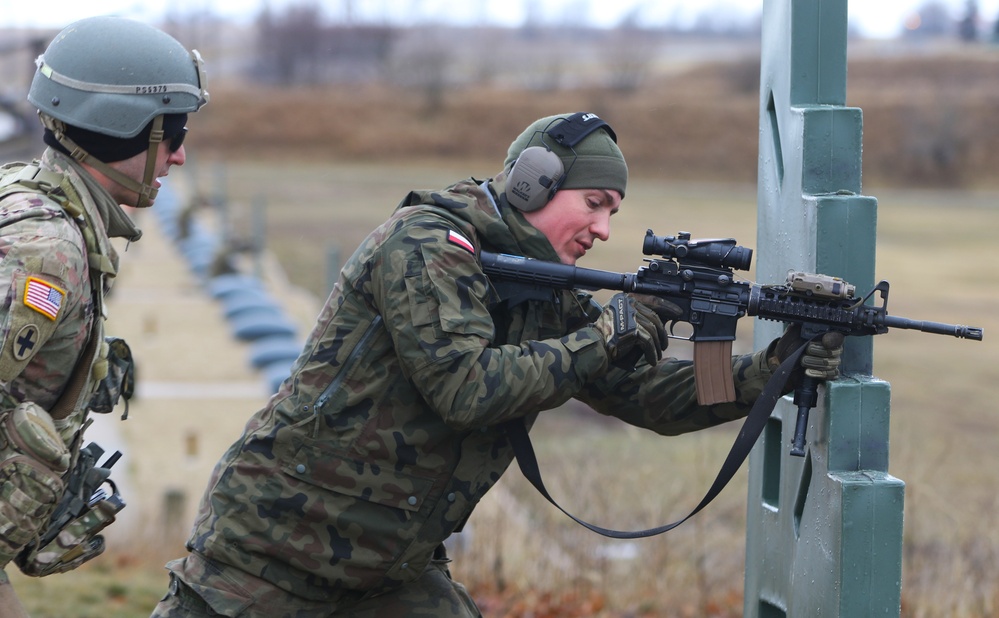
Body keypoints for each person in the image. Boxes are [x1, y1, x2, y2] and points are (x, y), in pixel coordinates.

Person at [151, 112, 841, 617]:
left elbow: (645, 399)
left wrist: (771, 368)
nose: (603, 229)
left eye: (613, 212)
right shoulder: (426, 243)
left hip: (389, 570)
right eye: (594, 203)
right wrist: (610, 333)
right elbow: (464, 387)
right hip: (272, 552)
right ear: (534, 183)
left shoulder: (548, 290)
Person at [0, 16, 208, 616]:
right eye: (171, 136)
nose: (180, 157)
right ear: (125, 131)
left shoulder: (36, 203)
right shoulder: (45, 252)